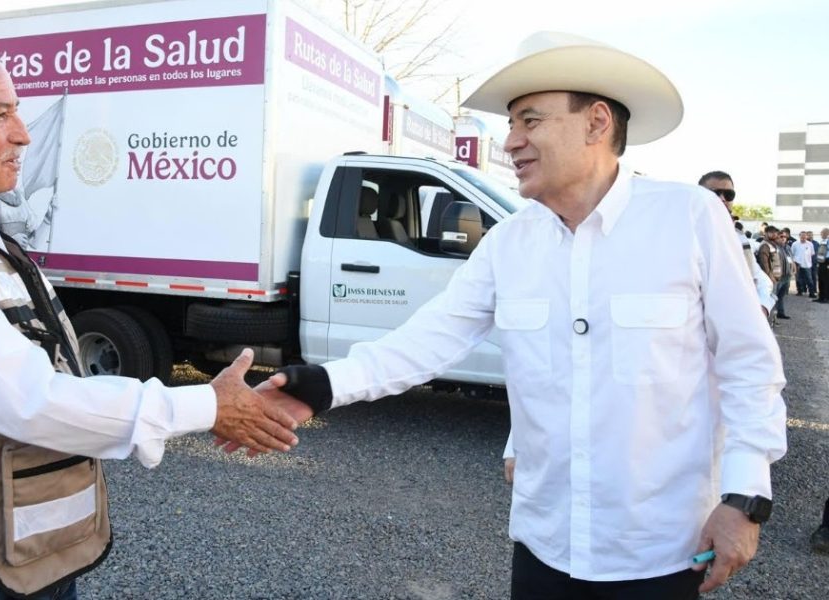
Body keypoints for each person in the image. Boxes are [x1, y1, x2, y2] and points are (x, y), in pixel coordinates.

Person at [237, 32, 788, 599]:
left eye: (530, 121)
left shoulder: (688, 217)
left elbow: (748, 364)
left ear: (597, 122)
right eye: (511, 124)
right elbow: (425, 342)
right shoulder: (508, 243)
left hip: (658, 551)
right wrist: (319, 386)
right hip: (546, 545)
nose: (510, 142)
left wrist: (744, 498)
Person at [0, 32, 301, 600]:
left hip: (16, 555)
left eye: (18, 111)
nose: (23, 133)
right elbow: (33, 401)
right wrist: (207, 405)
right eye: (0, 114)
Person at [698, 171, 774, 315]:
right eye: (714, 193)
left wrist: (763, 307)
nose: (722, 199)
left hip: (736, 319)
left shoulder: (739, 238)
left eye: (729, 194)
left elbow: (760, 279)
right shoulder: (685, 236)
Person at [791, 230, 815, 297]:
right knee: (798, 279)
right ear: (799, 236)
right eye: (802, 236)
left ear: (806, 236)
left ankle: (811, 293)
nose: (803, 237)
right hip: (797, 264)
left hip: (807, 264)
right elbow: (792, 254)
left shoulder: (810, 244)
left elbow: (812, 254)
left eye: (804, 236)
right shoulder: (795, 244)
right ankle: (799, 291)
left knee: (809, 279)